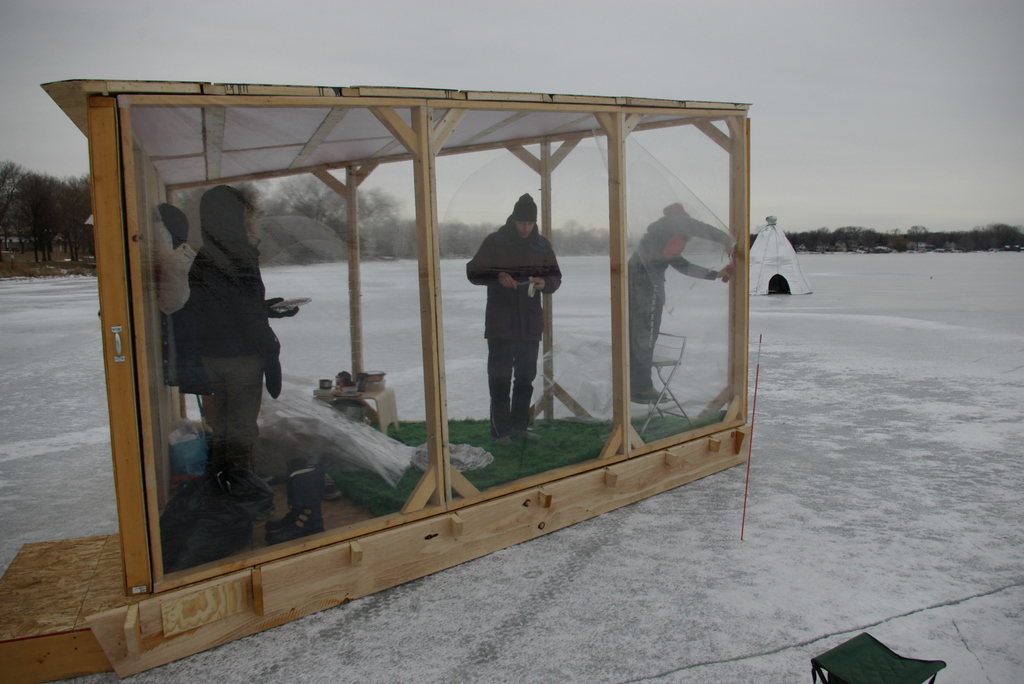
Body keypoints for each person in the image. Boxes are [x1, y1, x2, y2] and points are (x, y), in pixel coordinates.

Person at [186, 185, 298, 470]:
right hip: (239, 359)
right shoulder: (238, 254)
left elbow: (225, 307)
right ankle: (238, 490)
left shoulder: (204, 256)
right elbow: (243, 313)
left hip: (212, 355)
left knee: (223, 425)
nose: (252, 220)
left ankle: (223, 484)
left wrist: (265, 308)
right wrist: (271, 352)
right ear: (234, 216)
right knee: (241, 429)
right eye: (248, 214)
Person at [467, 193, 561, 442]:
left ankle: (520, 427)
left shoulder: (542, 245)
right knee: (499, 379)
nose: (526, 227)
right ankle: (500, 432)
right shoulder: (495, 241)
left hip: (529, 324)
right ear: (513, 219)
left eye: (530, 223)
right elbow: (473, 271)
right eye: (522, 222)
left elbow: (556, 277)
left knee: (525, 378)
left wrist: (545, 283)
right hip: (501, 324)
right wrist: (497, 275)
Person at [628, 203, 734, 403]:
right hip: (645, 283)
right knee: (645, 334)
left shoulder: (662, 238)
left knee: (641, 334)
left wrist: (714, 274)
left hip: (643, 281)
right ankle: (640, 388)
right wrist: (727, 240)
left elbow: (681, 264)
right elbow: (700, 228)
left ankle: (636, 385)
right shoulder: (674, 222)